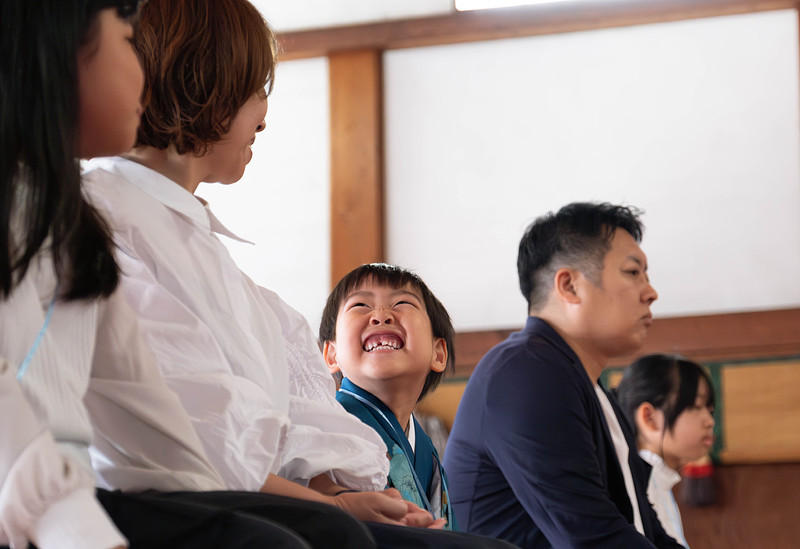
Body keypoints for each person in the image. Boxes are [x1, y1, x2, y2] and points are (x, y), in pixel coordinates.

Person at [83, 1, 519, 547]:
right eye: (254, 88)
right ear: (204, 81)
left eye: (403, 305)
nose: (264, 115)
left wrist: (337, 498)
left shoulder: (202, 246)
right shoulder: (107, 216)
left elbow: (281, 428)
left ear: (440, 350)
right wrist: (331, 506)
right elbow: (200, 436)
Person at [0, 1, 323, 548]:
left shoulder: (72, 219)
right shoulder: (93, 209)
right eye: (128, 40)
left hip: (63, 503)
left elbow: (145, 412)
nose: (145, 73)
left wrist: (219, 510)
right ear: (56, 51)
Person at [444, 202, 686, 548]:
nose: (651, 292)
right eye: (633, 273)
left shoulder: (588, 386)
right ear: (569, 286)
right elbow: (591, 538)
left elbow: (646, 528)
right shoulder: (525, 372)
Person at [319, 263, 457, 530]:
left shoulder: (425, 449)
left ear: (438, 353)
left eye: (403, 303)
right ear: (331, 355)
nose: (381, 315)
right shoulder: (325, 429)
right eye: (360, 305)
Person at [615, 354, 716, 548]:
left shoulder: (659, 481)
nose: (709, 421)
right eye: (696, 407)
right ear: (649, 418)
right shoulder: (638, 486)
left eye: (709, 410)